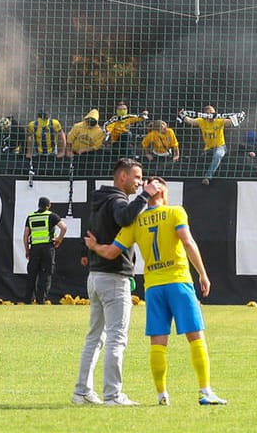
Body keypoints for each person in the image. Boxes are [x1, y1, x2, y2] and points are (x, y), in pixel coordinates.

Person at [83, 177, 225, 406]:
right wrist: (203, 273)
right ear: (162, 191)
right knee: (196, 337)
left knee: (158, 342)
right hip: (178, 282)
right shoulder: (175, 212)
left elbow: (110, 252)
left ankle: (161, 395)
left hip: (154, 287)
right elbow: (188, 242)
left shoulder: (136, 222)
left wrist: (94, 246)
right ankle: (205, 391)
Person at [72, 157, 151, 405]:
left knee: (95, 336)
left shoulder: (100, 200)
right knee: (117, 336)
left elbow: (91, 230)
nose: (140, 183)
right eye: (137, 177)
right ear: (123, 177)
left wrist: (87, 254)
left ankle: (82, 392)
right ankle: (112, 394)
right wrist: (145, 196)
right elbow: (126, 217)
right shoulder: (118, 200)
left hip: (95, 276)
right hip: (114, 277)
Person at [181, 106, 242, 184]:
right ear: (205, 115)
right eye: (209, 113)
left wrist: (237, 119)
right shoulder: (201, 121)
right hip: (208, 148)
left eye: (213, 113)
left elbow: (230, 122)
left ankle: (208, 177)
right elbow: (190, 121)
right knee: (199, 160)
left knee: (217, 155)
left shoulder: (219, 120)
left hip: (220, 146)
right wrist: (183, 115)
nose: (212, 115)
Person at [25, 198, 63, 305]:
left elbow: (25, 235)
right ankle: (41, 300)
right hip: (47, 248)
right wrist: (59, 239)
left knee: (32, 274)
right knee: (45, 275)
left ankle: (29, 300)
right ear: (48, 205)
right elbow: (64, 227)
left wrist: (27, 250)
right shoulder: (51, 216)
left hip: (35, 248)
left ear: (38, 205)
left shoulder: (31, 217)